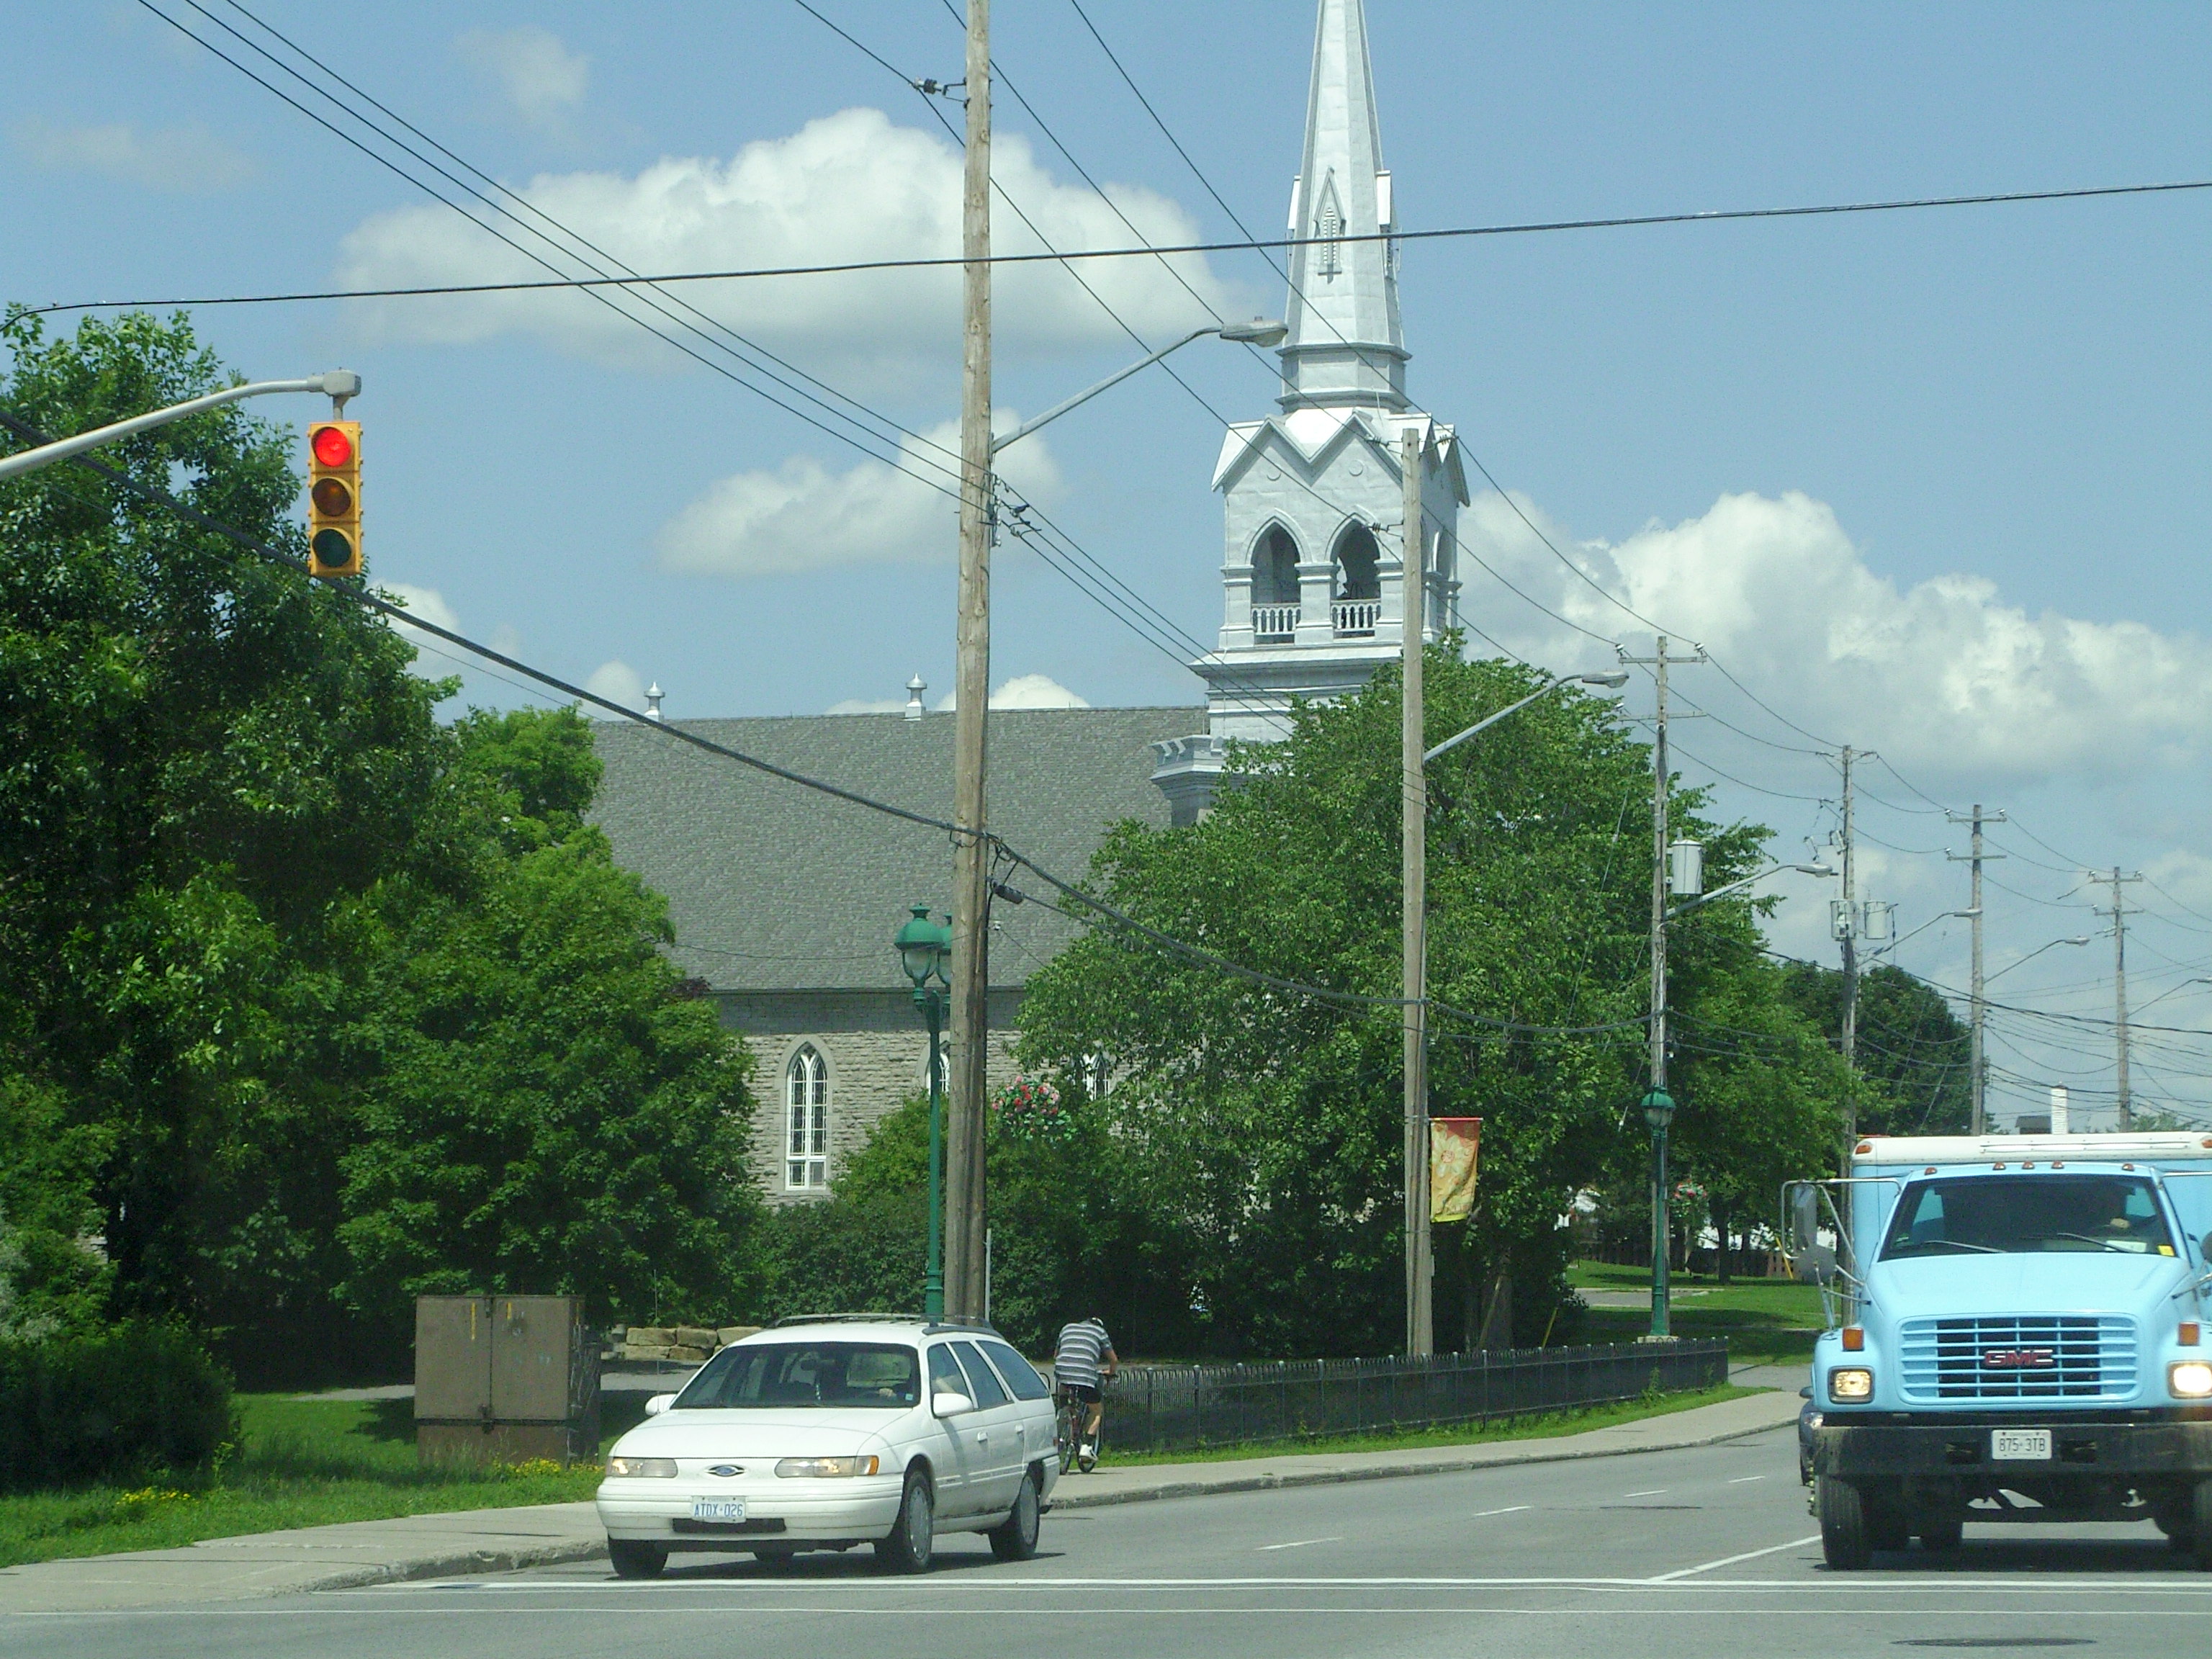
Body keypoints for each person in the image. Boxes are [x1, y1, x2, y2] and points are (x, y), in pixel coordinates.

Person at [1053, 1315, 1118, 1467]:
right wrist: (1112, 1372)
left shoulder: (1067, 1327)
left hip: (1063, 1371)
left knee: (1066, 1389)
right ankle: (1086, 1447)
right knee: (1096, 1410)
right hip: (1085, 1375)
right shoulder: (1099, 1332)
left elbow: (1056, 1355)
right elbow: (1113, 1360)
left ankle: (1064, 1412)